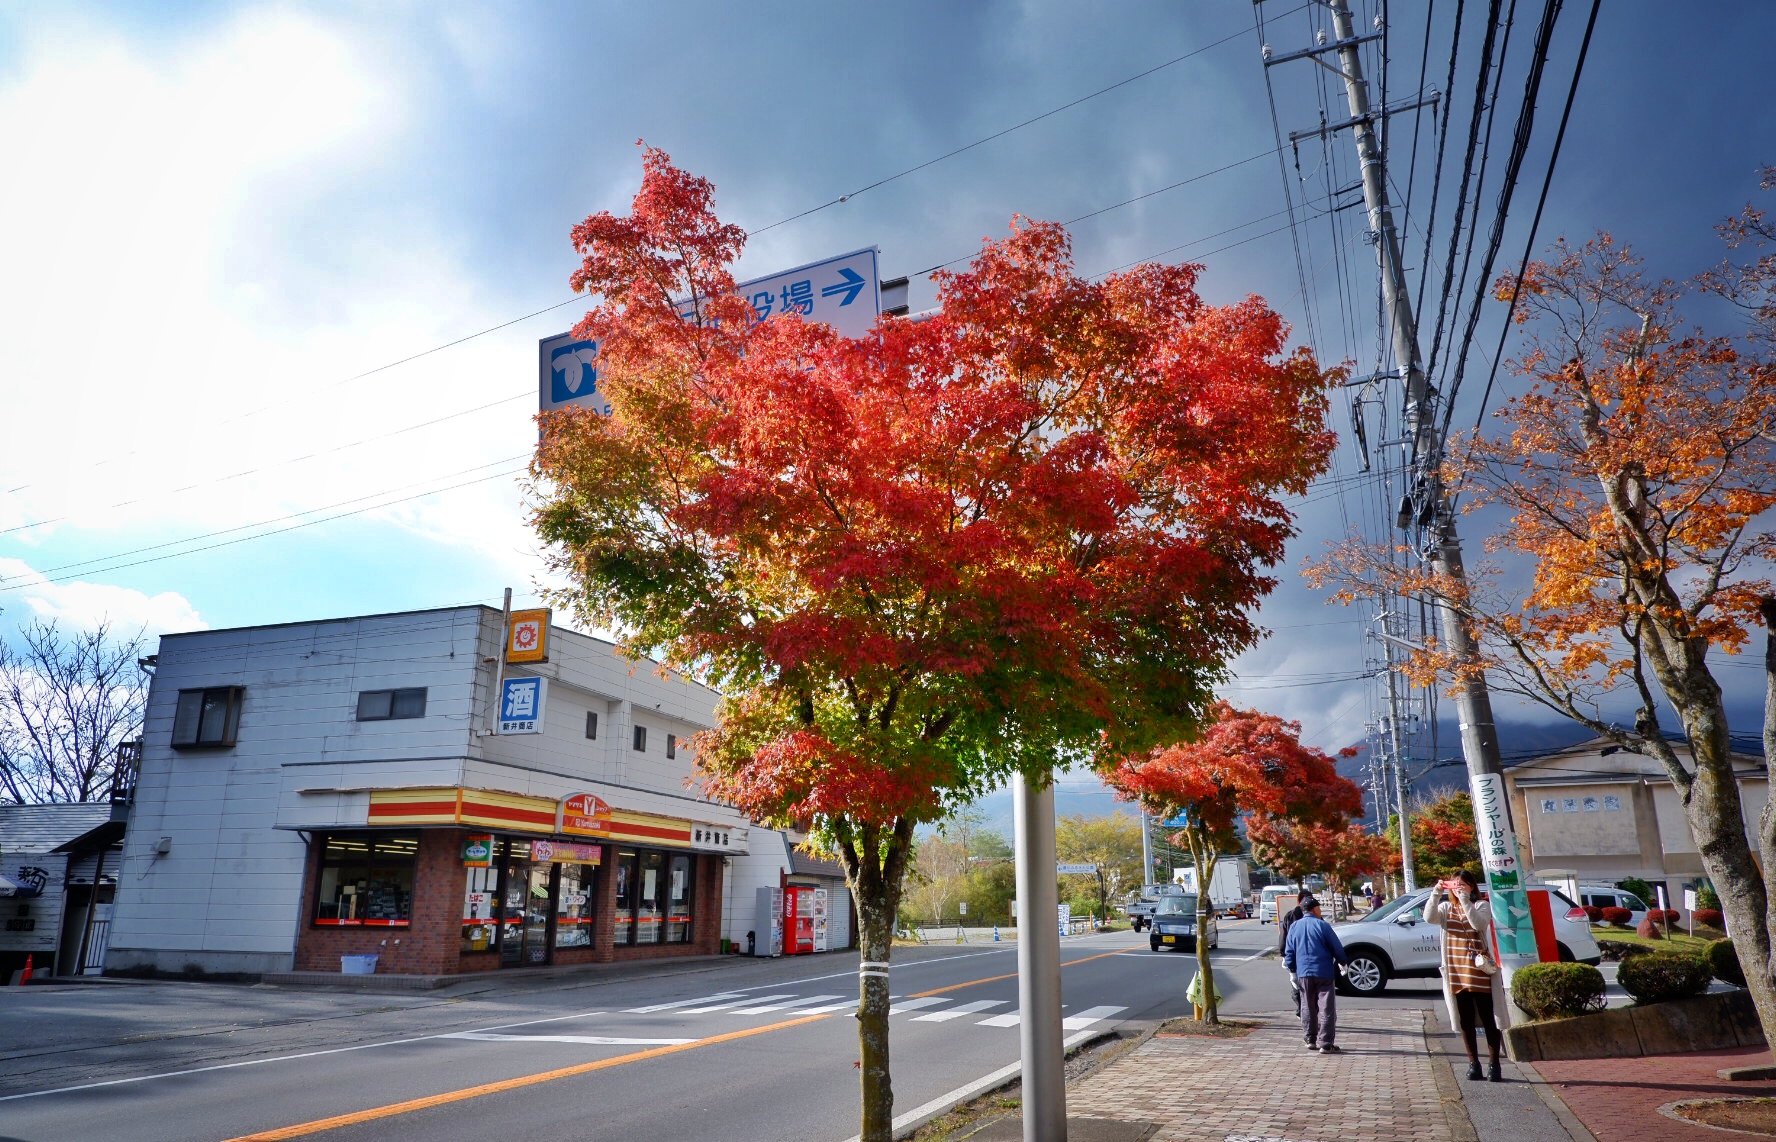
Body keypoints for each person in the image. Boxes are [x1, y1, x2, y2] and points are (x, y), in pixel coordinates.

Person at [1428, 869, 1505, 1082]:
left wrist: (1465, 900)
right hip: (1456, 971)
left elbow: (1477, 924)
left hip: (1479, 971)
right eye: (1455, 884)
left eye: (1463, 884)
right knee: (1465, 1020)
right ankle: (1473, 1064)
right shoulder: (1445, 908)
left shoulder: (1481, 905)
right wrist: (1435, 894)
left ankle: (1494, 1064)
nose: (1459, 887)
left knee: (1489, 1018)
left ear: (1472, 886)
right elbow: (1429, 918)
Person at [1282, 896, 1349, 1052]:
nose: (1320, 910)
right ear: (1314, 909)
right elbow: (1336, 947)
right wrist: (1343, 962)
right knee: (1326, 1008)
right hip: (1324, 972)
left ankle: (1310, 1039)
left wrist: (1292, 970)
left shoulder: (1294, 927)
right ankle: (1325, 1043)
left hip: (1303, 973)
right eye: (1319, 908)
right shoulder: (1322, 926)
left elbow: (1289, 951)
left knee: (1307, 1006)